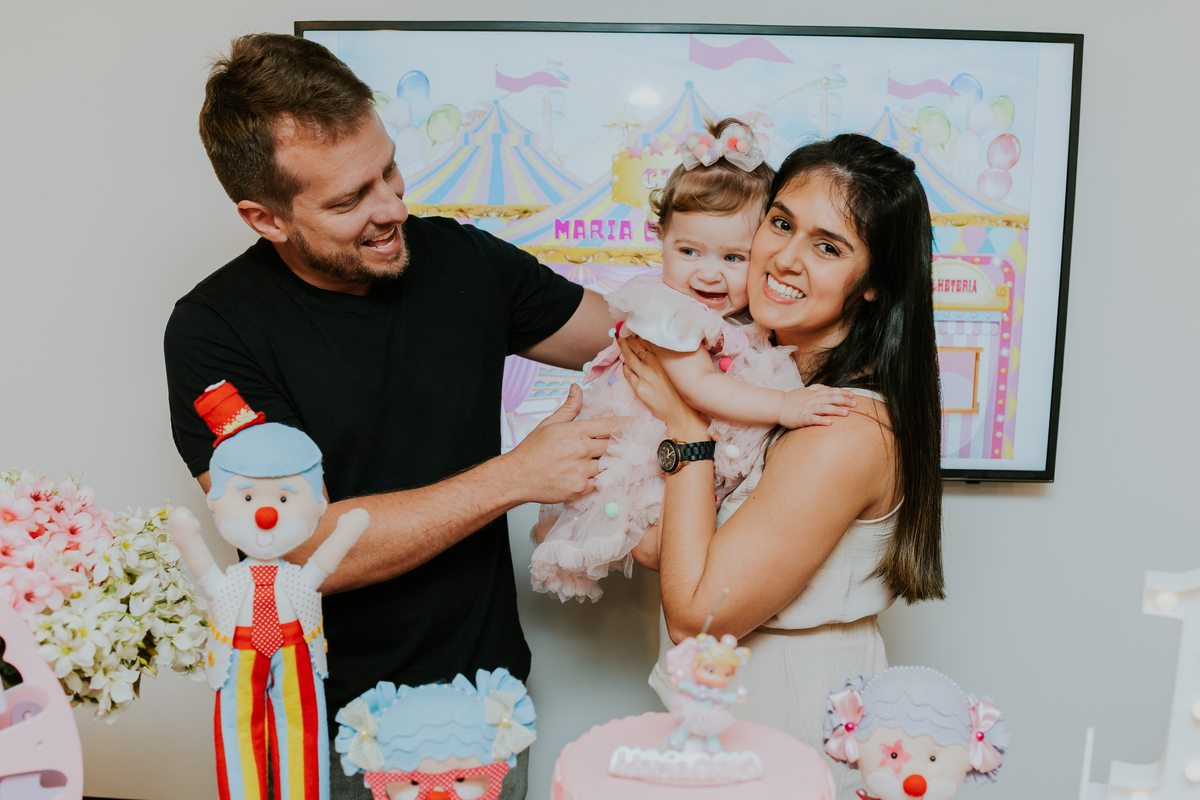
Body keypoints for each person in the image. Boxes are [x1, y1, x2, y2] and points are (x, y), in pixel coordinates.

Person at [164, 33, 620, 800]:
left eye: (389, 171)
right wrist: (516, 477)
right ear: (266, 218)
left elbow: (630, 341)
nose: (393, 209)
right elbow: (300, 545)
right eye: (350, 200)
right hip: (325, 725)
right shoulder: (215, 332)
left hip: (486, 708)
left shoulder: (464, 260)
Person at [619, 133, 945, 798]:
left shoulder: (842, 428)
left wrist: (685, 427)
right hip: (732, 721)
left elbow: (698, 618)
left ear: (875, 283)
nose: (785, 258)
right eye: (781, 223)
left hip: (792, 727)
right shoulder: (766, 383)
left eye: (828, 247)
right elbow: (670, 549)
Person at [529, 119, 855, 603]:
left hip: (696, 445)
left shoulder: (746, 321)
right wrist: (786, 406)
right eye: (689, 251)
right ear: (660, 237)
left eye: (733, 258)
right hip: (645, 447)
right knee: (660, 545)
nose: (708, 274)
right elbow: (700, 386)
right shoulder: (668, 312)